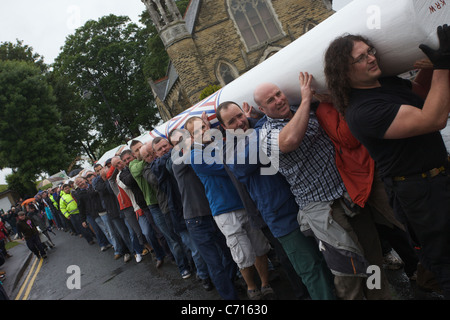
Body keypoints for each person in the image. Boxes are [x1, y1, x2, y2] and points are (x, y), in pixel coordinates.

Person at [323, 25, 450, 299]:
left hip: (440, 175)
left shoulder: (388, 82)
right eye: (360, 58)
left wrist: (432, 65)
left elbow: (419, 96)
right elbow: (433, 118)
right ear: (344, 72)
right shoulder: (362, 111)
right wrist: (444, 66)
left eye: (370, 51)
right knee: (446, 259)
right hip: (420, 192)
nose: (371, 57)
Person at [254, 74, 391, 299]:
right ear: (262, 109)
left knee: (373, 257)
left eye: (278, 94)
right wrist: (307, 98)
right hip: (321, 209)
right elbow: (289, 141)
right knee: (348, 270)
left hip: (348, 196)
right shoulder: (265, 135)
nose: (278, 100)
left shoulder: (305, 108)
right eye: (270, 100)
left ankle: (381, 296)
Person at [216, 101, 335, 300]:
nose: (239, 122)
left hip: (304, 201)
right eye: (232, 121)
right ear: (224, 128)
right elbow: (261, 140)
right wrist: (260, 119)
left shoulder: (258, 127)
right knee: (311, 268)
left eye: (240, 115)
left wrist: (257, 119)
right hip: (281, 216)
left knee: (328, 260)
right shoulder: (230, 152)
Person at [185, 116, 273, 300]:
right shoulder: (195, 156)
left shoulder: (222, 144)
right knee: (243, 254)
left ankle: (265, 284)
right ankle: (252, 287)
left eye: (203, 127)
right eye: (197, 131)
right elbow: (228, 166)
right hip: (224, 210)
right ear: (191, 138)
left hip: (245, 203)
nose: (202, 131)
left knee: (260, 248)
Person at [141, 143, 192, 279]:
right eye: (147, 155)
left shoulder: (164, 160)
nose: (151, 156)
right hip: (163, 207)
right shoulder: (147, 169)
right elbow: (156, 179)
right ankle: (183, 267)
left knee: (186, 238)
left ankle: (193, 265)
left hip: (176, 202)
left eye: (151, 153)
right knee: (174, 239)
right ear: (144, 159)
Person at [119, 149, 166, 268]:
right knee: (148, 233)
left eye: (128, 158)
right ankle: (159, 255)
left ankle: (169, 254)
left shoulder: (141, 163)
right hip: (143, 206)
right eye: (124, 161)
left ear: (133, 156)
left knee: (163, 230)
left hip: (156, 199)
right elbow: (129, 180)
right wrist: (135, 168)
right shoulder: (122, 174)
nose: (126, 162)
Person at [74, 176, 111, 252]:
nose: (80, 184)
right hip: (90, 213)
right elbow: (81, 207)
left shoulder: (92, 186)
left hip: (100, 210)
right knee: (97, 229)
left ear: (84, 180)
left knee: (107, 228)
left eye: (81, 182)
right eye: (78, 184)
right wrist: (83, 220)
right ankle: (103, 244)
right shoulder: (79, 194)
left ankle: (109, 242)